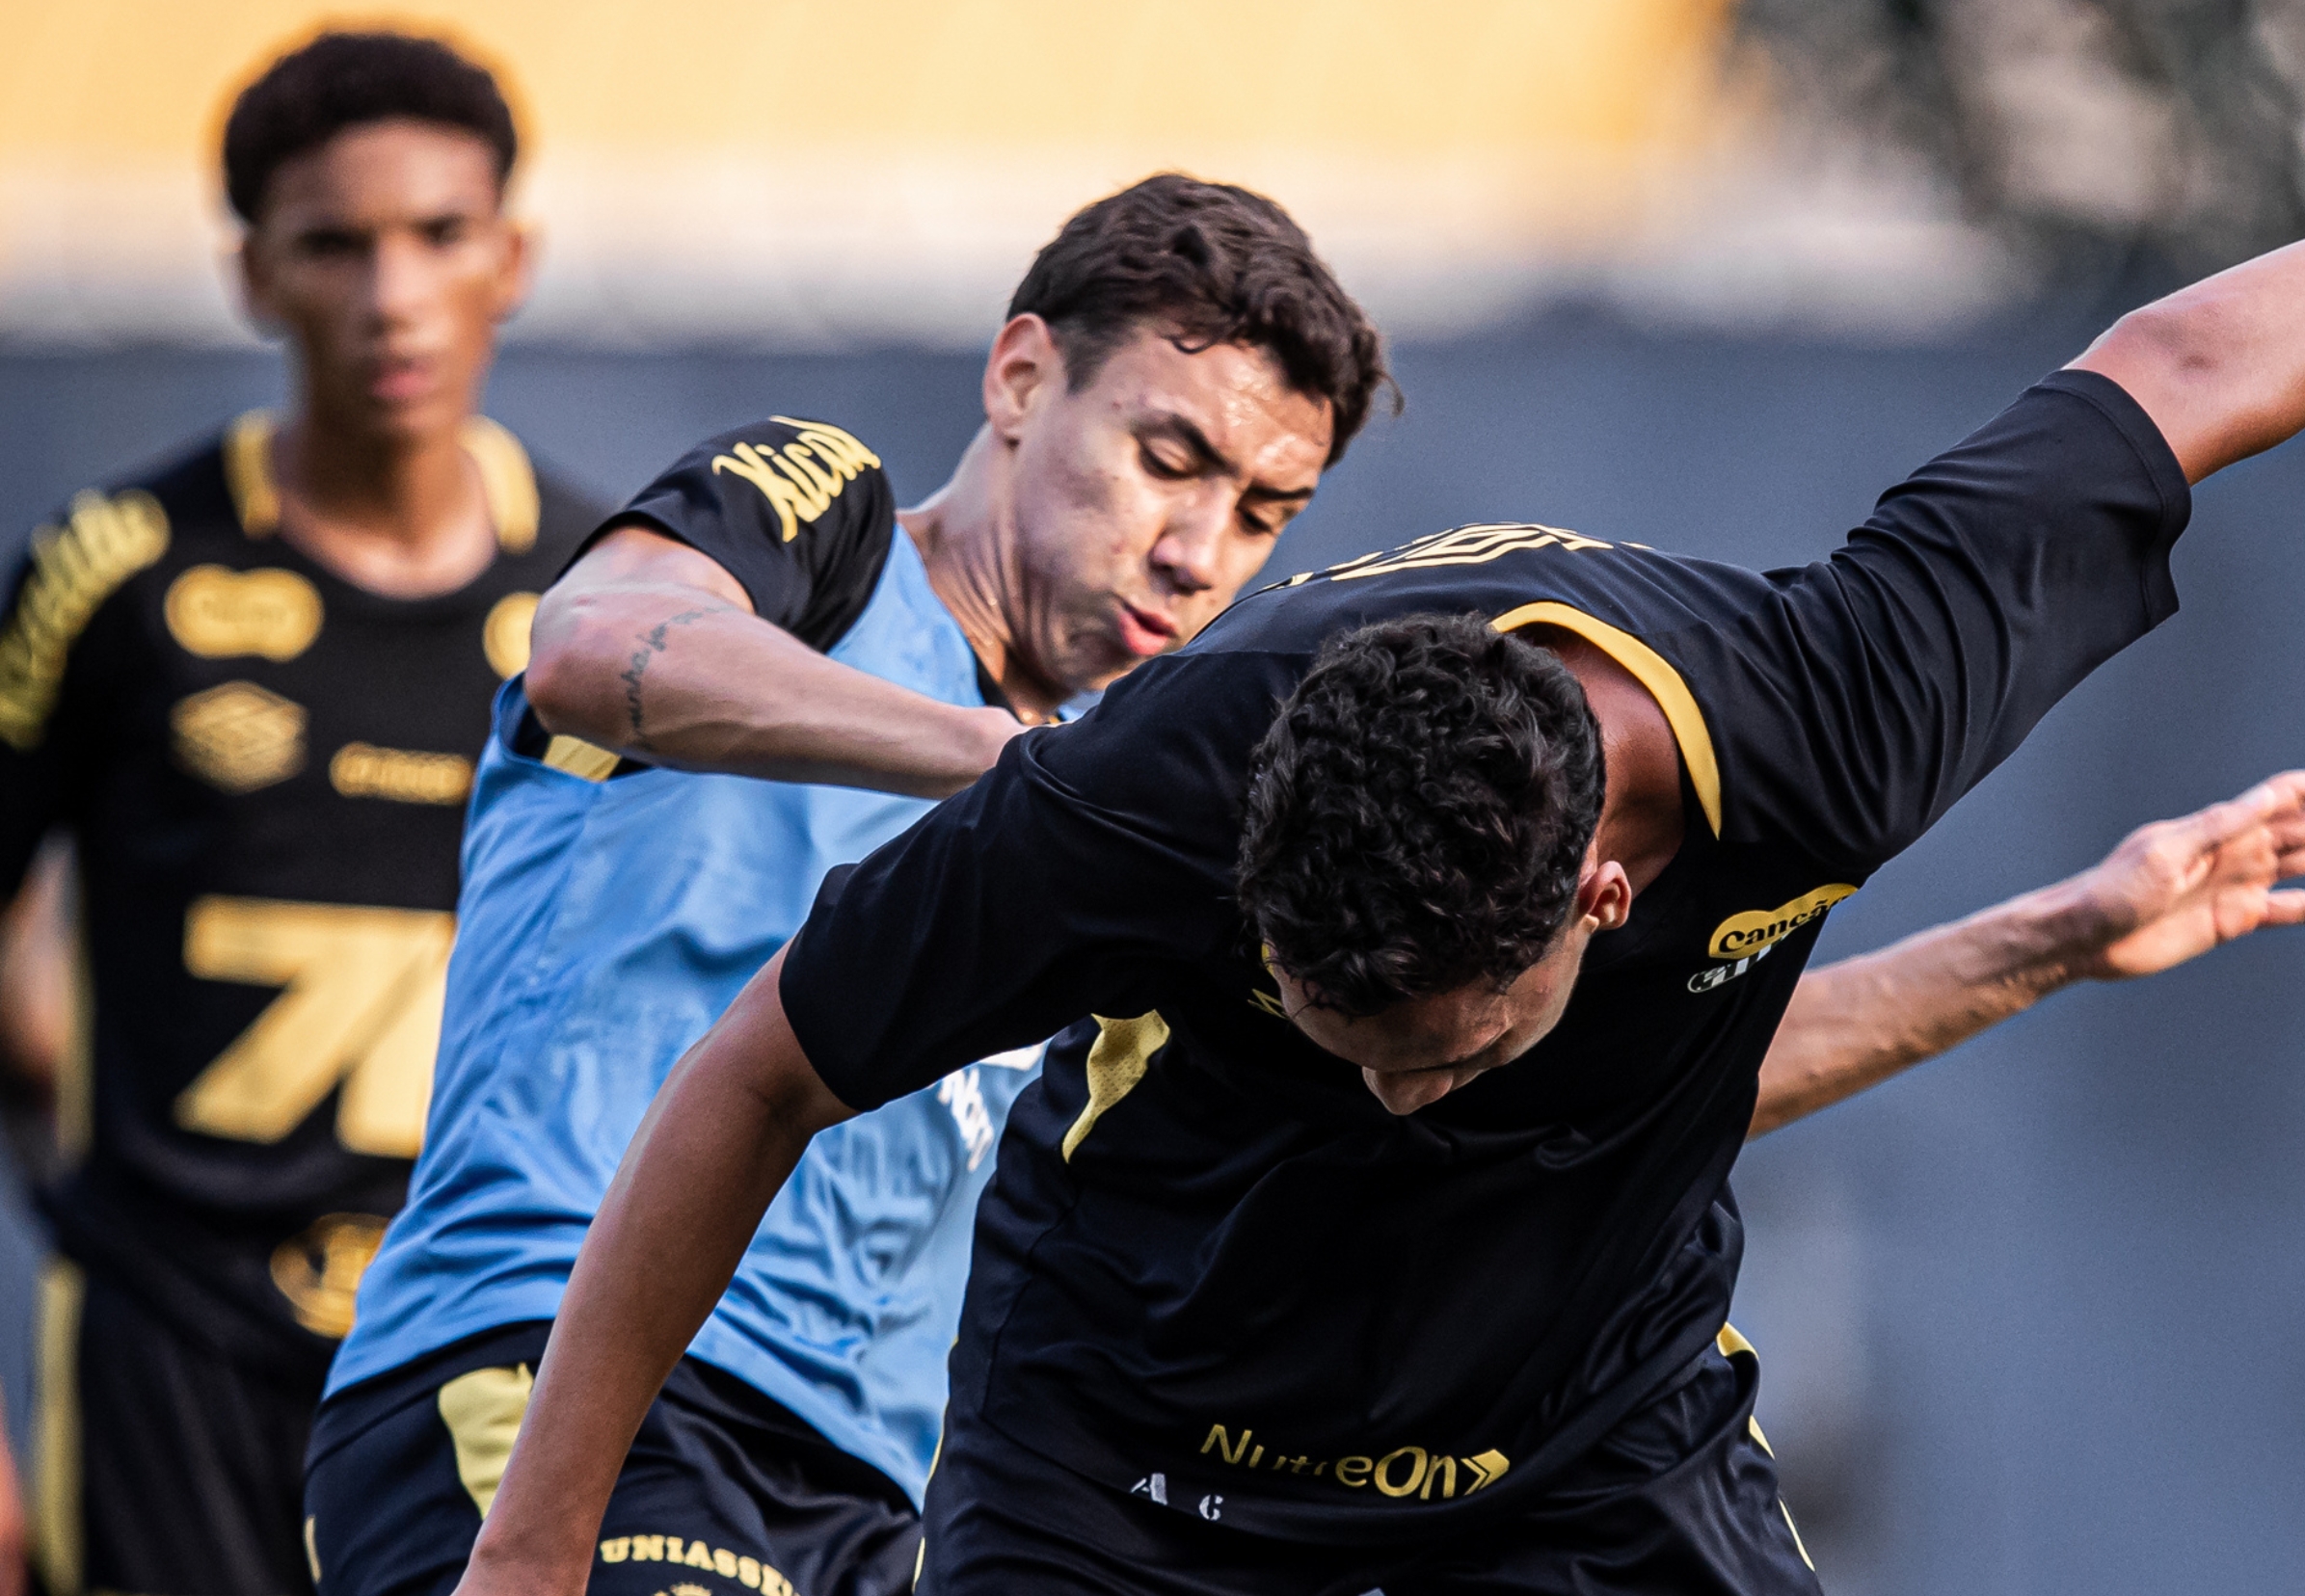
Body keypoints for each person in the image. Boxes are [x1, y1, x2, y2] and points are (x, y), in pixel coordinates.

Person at [452, 235, 2305, 1596]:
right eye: (1324, 1034)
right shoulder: (1136, 803)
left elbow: (2190, 354)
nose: (1406, 1105)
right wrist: (524, 1567)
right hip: (1132, 1461)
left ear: (1602, 895)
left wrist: (2061, 930)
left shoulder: (1844, 701)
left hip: (1583, 1446)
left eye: (1439, 1055)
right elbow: (756, 1073)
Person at [303, 177, 1383, 1596]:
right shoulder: (828, 520)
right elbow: (590, 648)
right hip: (548, 1384)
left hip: (879, 1504)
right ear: (1020, 375)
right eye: (1169, 457)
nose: (1199, 552)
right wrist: (1004, 767)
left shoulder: (1125, 793)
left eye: (1264, 511)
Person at [0, 32, 600, 1596]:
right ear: (253, 274)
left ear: (513, 257)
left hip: (484, 1355)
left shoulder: (611, 601)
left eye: (439, 236)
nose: (391, 295)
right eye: (334, 244)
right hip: (168, 1348)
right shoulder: (114, 573)